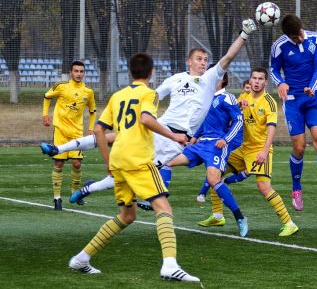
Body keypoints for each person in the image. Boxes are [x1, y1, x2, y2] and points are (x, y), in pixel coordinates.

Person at [40, 19, 259, 204]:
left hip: (176, 142)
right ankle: (58, 147)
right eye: (199, 59)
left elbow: (228, 57)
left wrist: (244, 35)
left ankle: (87, 190)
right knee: (109, 138)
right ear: (189, 61)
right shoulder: (176, 79)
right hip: (163, 129)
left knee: (128, 174)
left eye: (205, 60)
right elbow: (153, 95)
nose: (203, 63)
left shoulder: (210, 79)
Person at [68, 53, 200, 282]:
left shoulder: (118, 95)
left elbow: (99, 129)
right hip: (137, 160)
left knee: (127, 215)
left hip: (118, 159)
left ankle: (81, 258)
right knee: (164, 209)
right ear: (151, 73)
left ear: (131, 72)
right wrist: (174, 136)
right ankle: (169, 265)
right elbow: (146, 119)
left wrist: (108, 161)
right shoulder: (149, 94)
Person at [198, 68, 298, 237]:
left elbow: (271, 128)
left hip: (259, 150)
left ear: (266, 82)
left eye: (260, 79)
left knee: (264, 187)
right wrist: (237, 106)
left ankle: (289, 223)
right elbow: (231, 115)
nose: (257, 81)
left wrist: (265, 151)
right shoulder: (243, 97)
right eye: (254, 78)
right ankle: (217, 215)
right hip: (242, 149)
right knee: (215, 173)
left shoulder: (269, 102)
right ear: (250, 80)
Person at [162, 71, 248, 237]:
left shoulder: (227, 98)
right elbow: (203, 121)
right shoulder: (205, 98)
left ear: (223, 81)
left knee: (213, 179)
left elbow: (238, 121)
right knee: (167, 161)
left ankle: (240, 218)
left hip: (216, 145)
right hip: (201, 144)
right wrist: (194, 137)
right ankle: (161, 195)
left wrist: (226, 139)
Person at [270, 14, 317, 212]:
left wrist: (312, 87)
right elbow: (273, 69)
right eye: (296, 37)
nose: (300, 38)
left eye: (300, 34)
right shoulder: (279, 46)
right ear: (288, 36)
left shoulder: (315, 38)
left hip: (314, 98)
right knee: (299, 147)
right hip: (293, 101)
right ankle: (296, 190)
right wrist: (280, 82)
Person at [42, 60, 96, 210]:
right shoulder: (61, 87)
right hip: (60, 131)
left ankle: (76, 194)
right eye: (76, 71)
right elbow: (47, 97)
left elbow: (92, 112)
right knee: (59, 163)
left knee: (76, 163)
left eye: (81, 71)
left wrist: (91, 129)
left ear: (84, 73)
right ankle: (57, 198)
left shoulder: (88, 92)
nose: (79, 74)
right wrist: (45, 115)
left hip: (77, 133)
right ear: (71, 72)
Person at [196, 79, 252, 203]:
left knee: (251, 169)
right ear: (243, 88)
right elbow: (235, 114)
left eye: (250, 88)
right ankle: (206, 194)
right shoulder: (239, 97)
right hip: (234, 137)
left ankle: (231, 181)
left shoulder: (252, 99)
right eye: (247, 88)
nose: (249, 90)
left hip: (246, 139)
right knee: (217, 165)